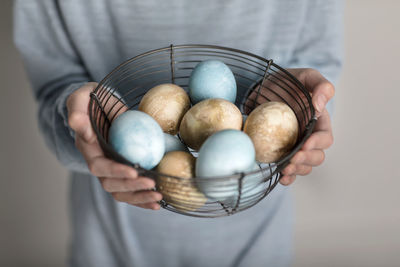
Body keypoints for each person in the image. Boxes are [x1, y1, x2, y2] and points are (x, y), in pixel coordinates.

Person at [14, 0, 342, 266]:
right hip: (112, 240)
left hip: (256, 241)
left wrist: (304, 107)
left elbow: (317, 78)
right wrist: (80, 120)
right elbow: (53, 93)